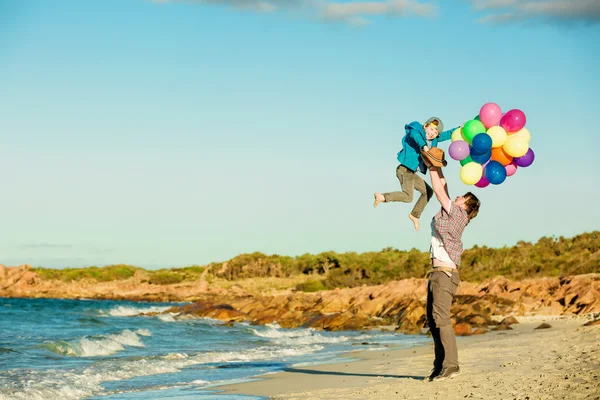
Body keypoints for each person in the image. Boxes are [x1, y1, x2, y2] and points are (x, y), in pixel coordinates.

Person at [425, 164, 480, 382]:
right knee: (433, 319)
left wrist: (431, 165)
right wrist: (437, 165)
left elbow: (439, 191)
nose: (457, 197)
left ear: (466, 206)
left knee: (441, 319)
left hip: (445, 275)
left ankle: (451, 365)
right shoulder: (452, 212)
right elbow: (443, 186)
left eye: (461, 197)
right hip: (437, 273)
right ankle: (439, 365)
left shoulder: (458, 215)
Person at [373, 117, 457, 231]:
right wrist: (424, 146)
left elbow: (448, 134)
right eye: (431, 129)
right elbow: (414, 135)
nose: (432, 134)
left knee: (428, 192)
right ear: (425, 126)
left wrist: (460, 129)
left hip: (411, 173)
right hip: (404, 169)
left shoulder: (434, 140)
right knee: (408, 197)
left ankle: (414, 215)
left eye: (436, 132)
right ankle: (383, 197)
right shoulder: (417, 130)